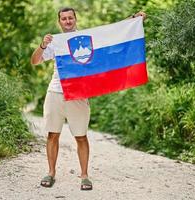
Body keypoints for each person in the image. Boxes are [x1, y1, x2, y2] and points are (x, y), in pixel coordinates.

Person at [30, 7, 146, 190]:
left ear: (75, 19)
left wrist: (133, 20)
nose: (67, 21)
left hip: (78, 94)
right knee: (52, 135)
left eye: (70, 18)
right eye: (63, 19)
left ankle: (84, 175)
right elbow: (34, 61)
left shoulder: (86, 38)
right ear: (59, 22)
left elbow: (110, 34)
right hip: (55, 92)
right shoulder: (55, 41)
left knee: (81, 137)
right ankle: (51, 173)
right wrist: (43, 45)